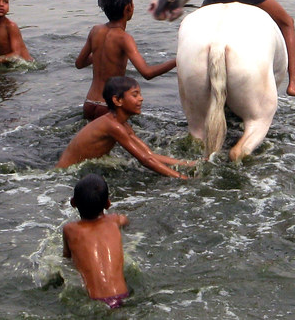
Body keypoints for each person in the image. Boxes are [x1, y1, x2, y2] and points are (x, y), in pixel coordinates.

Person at [57, 76, 195, 178]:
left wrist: (190, 164)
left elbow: (149, 154)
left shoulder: (122, 125)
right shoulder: (113, 126)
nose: (141, 99)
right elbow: (145, 161)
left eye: (140, 94)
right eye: (135, 95)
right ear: (117, 100)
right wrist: (182, 178)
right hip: (64, 175)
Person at [75, 0, 177, 120]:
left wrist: (101, 55)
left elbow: (79, 63)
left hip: (89, 103)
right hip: (109, 106)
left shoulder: (95, 31)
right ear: (128, 8)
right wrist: (178, 60)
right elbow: (147, 73)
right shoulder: (124, 38)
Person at [62, 174, 131, 309]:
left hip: (95, 300)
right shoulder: (115, 221)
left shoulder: (69, 230)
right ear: (108, 204)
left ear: (73, 203)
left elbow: (66, 260)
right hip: (122, 294)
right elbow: (125, 219)